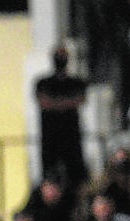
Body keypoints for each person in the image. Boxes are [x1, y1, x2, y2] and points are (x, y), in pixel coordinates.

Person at [35, 45, 89, 193]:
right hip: (50, 139)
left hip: (71, 139)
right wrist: (66, 104)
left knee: (76, 178)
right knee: (49, 177)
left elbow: (80, 99)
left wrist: (56, 104)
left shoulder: (76, 83)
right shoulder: (43, 83)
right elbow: (44, 102)